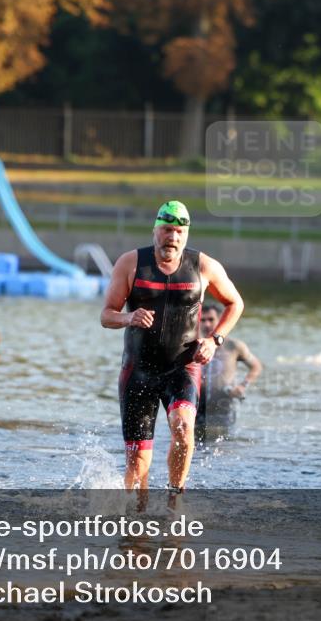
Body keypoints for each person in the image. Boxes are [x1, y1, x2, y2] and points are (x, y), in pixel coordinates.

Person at [100, 201, 244, 504]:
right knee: (137, 466)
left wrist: (214, 339)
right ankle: (136, 518)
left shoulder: (203, 266)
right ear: (155, 230)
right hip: (139, 370)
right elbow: (107, 315)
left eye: (179, 232)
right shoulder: (130, 263)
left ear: (186, 235)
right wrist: (129, 317)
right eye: (167, 230)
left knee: (182, 427)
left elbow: (235, 303)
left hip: (183, 367)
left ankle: (174, 501)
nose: (173, 238)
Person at [195, 303, 263, 441]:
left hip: (224, 404)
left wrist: (243, 386)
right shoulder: (193, 345)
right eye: (203, 320)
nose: (207, 324)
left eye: (211, 320)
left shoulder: (233, 346)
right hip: (198, 405)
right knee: (195, 444)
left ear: (220, 321)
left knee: (223, 443)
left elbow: (256, 366)